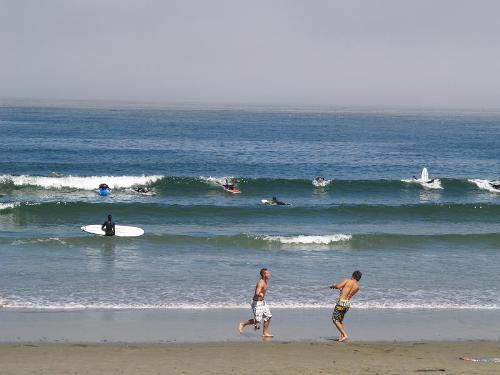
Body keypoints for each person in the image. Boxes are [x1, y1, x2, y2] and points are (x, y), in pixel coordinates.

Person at [239, 268, 273, 338]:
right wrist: (260, 294)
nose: (269, 274)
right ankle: (243, 324)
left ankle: (265, 333)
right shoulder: (261, 282)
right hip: (257, 303)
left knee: (268, 316)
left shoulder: (265, 281)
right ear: (263, 274)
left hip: (262, 302)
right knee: (257, 321)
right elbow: (257, 292)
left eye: (268, 273)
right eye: (267, 273)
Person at [329, 270, 362, 342]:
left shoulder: (347, 280)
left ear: (353, 275)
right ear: (359, 278)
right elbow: (347, 293)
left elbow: (338, 286)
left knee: (335, 319)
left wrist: (333, 285)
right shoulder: (357, 287)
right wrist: (339, 288)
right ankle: (342, 337)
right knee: (340, 320)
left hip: (341, 303)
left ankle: (345, 335)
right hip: (347, 304)